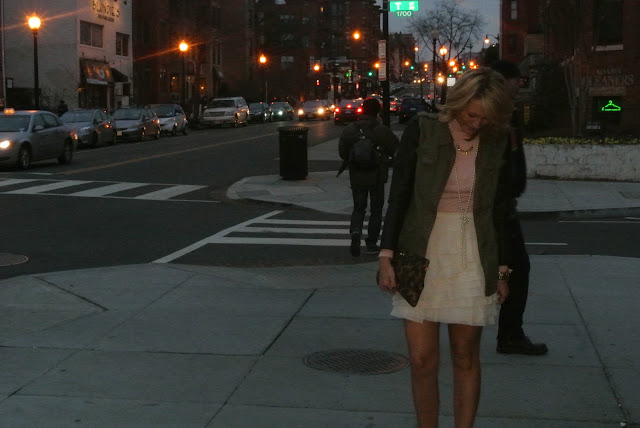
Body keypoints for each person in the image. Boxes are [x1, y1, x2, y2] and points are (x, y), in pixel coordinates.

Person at [377, 68, 513, 427]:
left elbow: (501, 211)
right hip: (420, 249)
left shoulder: (498, 140)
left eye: (486, 118)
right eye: (472, 114)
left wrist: (502, 269)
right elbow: (400, 194)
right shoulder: (423, 130)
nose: (478, 123)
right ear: (458, 102)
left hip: (474, 253)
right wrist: (386, 255)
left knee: (465, 356)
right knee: (422, 360)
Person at [491, 60, 548, 355]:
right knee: (516, 268)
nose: (519, 86)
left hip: (504, 205)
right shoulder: (491, 115)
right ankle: (510, 334)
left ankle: (510, 333)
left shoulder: (509, 113)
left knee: (516, 268)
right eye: (516, 81)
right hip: (495, 206)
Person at [339, 98, 399, 257]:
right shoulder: (382, 130)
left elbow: (342, 152)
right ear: (377, 111)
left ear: (363, 109)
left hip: (357, 175)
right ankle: (371, 243)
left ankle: (356, 232)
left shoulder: (350, 130)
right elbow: (395, 147)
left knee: (358, 207)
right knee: (376, 210)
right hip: (377, 176)